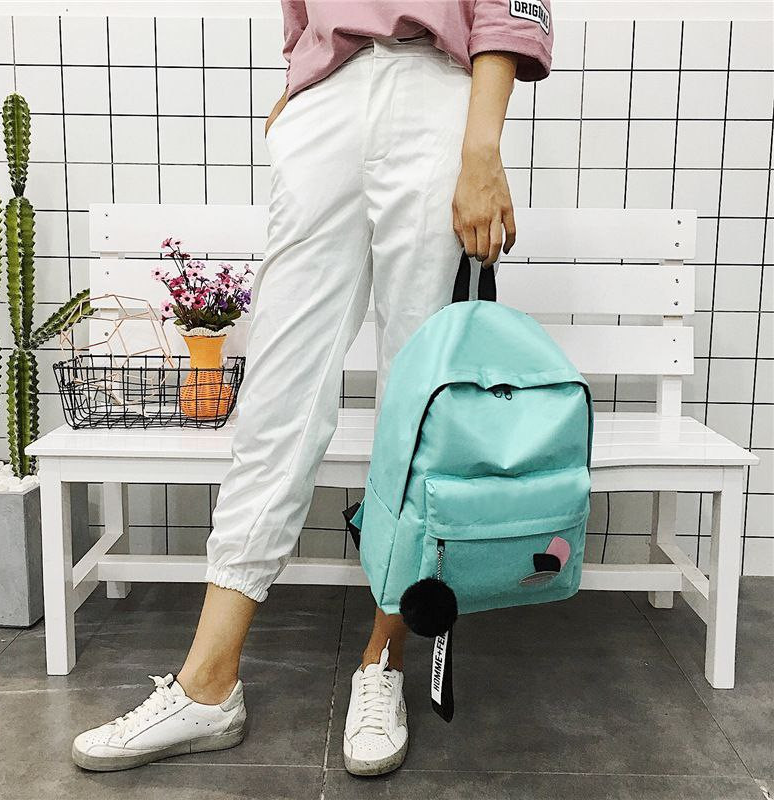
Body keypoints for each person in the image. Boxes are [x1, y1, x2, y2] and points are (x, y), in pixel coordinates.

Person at [72, 0, 553, 776]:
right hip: (328, 96)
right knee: (278, 393)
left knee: (417, 402)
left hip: (439, 91)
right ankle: (207, 683)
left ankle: (383, 663)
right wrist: (301, 85)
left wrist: (482, 144)